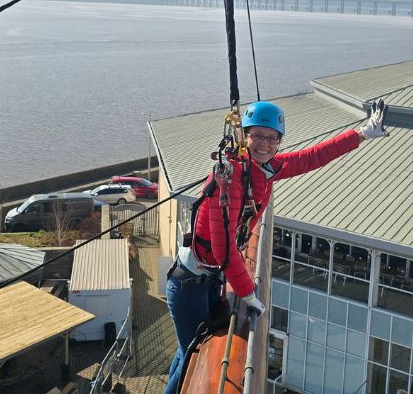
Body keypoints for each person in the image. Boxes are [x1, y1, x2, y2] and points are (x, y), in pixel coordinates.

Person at [164, 100, 388, 394]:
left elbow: (314, 156)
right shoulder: (229, 180)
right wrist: (249, 295)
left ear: (279, 141)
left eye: (272, 138)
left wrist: (363, 133)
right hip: (189, 284)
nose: (264, 144)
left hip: (205, 280)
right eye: (257, 135)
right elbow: (225, 251)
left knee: (188, 349)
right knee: (191, 358)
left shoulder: (266, 169)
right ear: (245, 137)